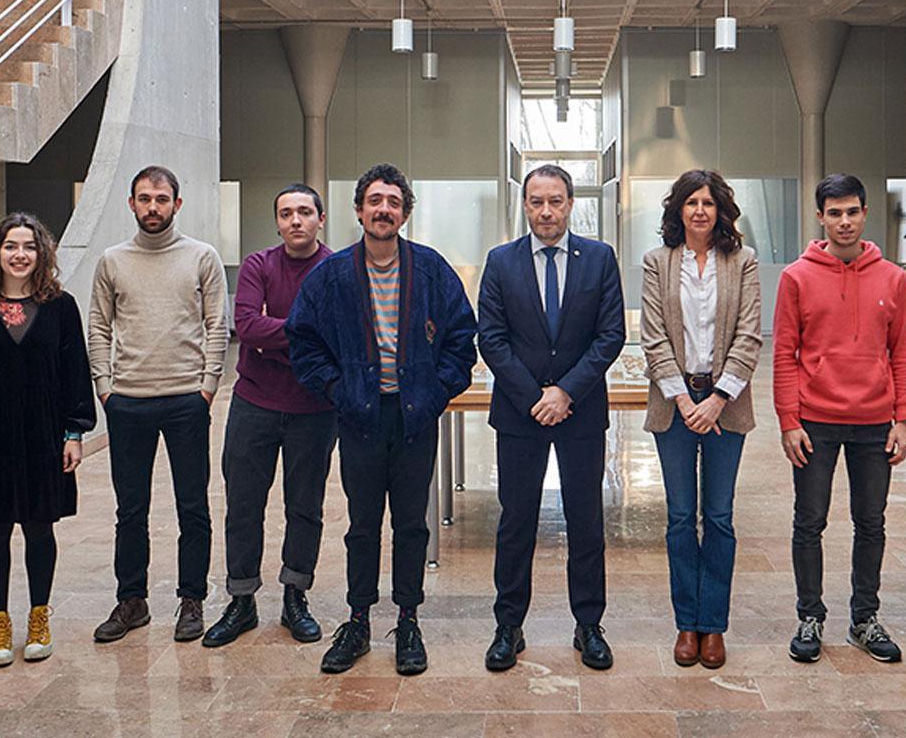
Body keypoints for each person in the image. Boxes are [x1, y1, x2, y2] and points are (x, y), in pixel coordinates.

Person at [287, 164, 478, 678]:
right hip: (360, 418)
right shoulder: (330, 276)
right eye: (375, 200)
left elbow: (463, 338)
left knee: (412, 524)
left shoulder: (433, 270)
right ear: (358, 210)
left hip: (414, 417)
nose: (383, 209)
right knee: (363, 525)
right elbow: (302, 340)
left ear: (406, 213)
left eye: (393, 202)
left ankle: (409, 619)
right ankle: (357, 620)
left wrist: (437, 391)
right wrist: (336, 389)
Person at [477, 165, 627, 673]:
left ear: (570, 204)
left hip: (581, 412)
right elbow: (491, 338)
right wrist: (533, 396)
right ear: (525, 205)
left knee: (586, 520)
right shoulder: (501, 261)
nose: (547, 211)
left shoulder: (600, 259)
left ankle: (589, 624)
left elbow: (611, 335)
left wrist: (565, 392)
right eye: (537, 201)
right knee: (515, 522)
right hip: (520, 414)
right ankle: (508, 626)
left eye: (556, 201)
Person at [0, 213, 97, 668]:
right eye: (11, 246)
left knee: (40, 526)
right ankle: (0, 621)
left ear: (41, 254)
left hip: (44, 434)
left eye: (28, 246)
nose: (20, 254)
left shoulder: (61, 307)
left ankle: (40, 616)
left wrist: (74, 432)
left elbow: (74, 374)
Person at [775, 173, 906, 665]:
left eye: (852, 211)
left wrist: (904, 416)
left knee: (870, 523)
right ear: (821, 217)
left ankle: (864, 618)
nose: (844, 221)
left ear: (865, 213)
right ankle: (810, 615)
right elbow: (785, 354)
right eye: (834, 213)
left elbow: (902, 353)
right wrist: (789, 420)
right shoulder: (797, 276)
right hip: (815, 420)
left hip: (875, 422)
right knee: (809, 521)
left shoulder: (893, 278)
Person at [88, 165, 230, 645]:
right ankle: (132, 600)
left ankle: (192, 600)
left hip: (186, 400)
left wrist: (207, 386)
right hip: (127, 400)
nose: (153, 207)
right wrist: (105, 387)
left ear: (177, 204)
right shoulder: (112, 260)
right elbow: (99, 327)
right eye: (144, 198)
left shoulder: (201, 257)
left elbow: (217, 325)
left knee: (193, 507)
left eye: (162, 199)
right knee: (131, 509)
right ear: (131, 203)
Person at [639, 169, 762, 670]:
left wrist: (716, 399)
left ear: (721, 210)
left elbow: (750, 335)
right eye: (691, 202)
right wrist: (686, 401)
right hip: (674, 403)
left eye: (708, 202)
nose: (699, 211)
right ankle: (685, 624)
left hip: (725, 403)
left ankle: (713, 626)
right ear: (678, 210)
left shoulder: (744, 261)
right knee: (677, 517)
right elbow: (652, 337)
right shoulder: (657, 262)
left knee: (718, 517)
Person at [204, 184, 337, 648]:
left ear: (321, 217)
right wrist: (305, 336)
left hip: (315, 408)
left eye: (304, 212)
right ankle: (241, 601)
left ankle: (295, 597)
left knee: (305, 507)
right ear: (277, 221)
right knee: (243, 505)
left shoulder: (336, 269)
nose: (295, 221)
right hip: (254, 403)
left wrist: (274, 339)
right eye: (286, 213)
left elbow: (336, 335)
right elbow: (246, 325)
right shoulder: (259, 265)